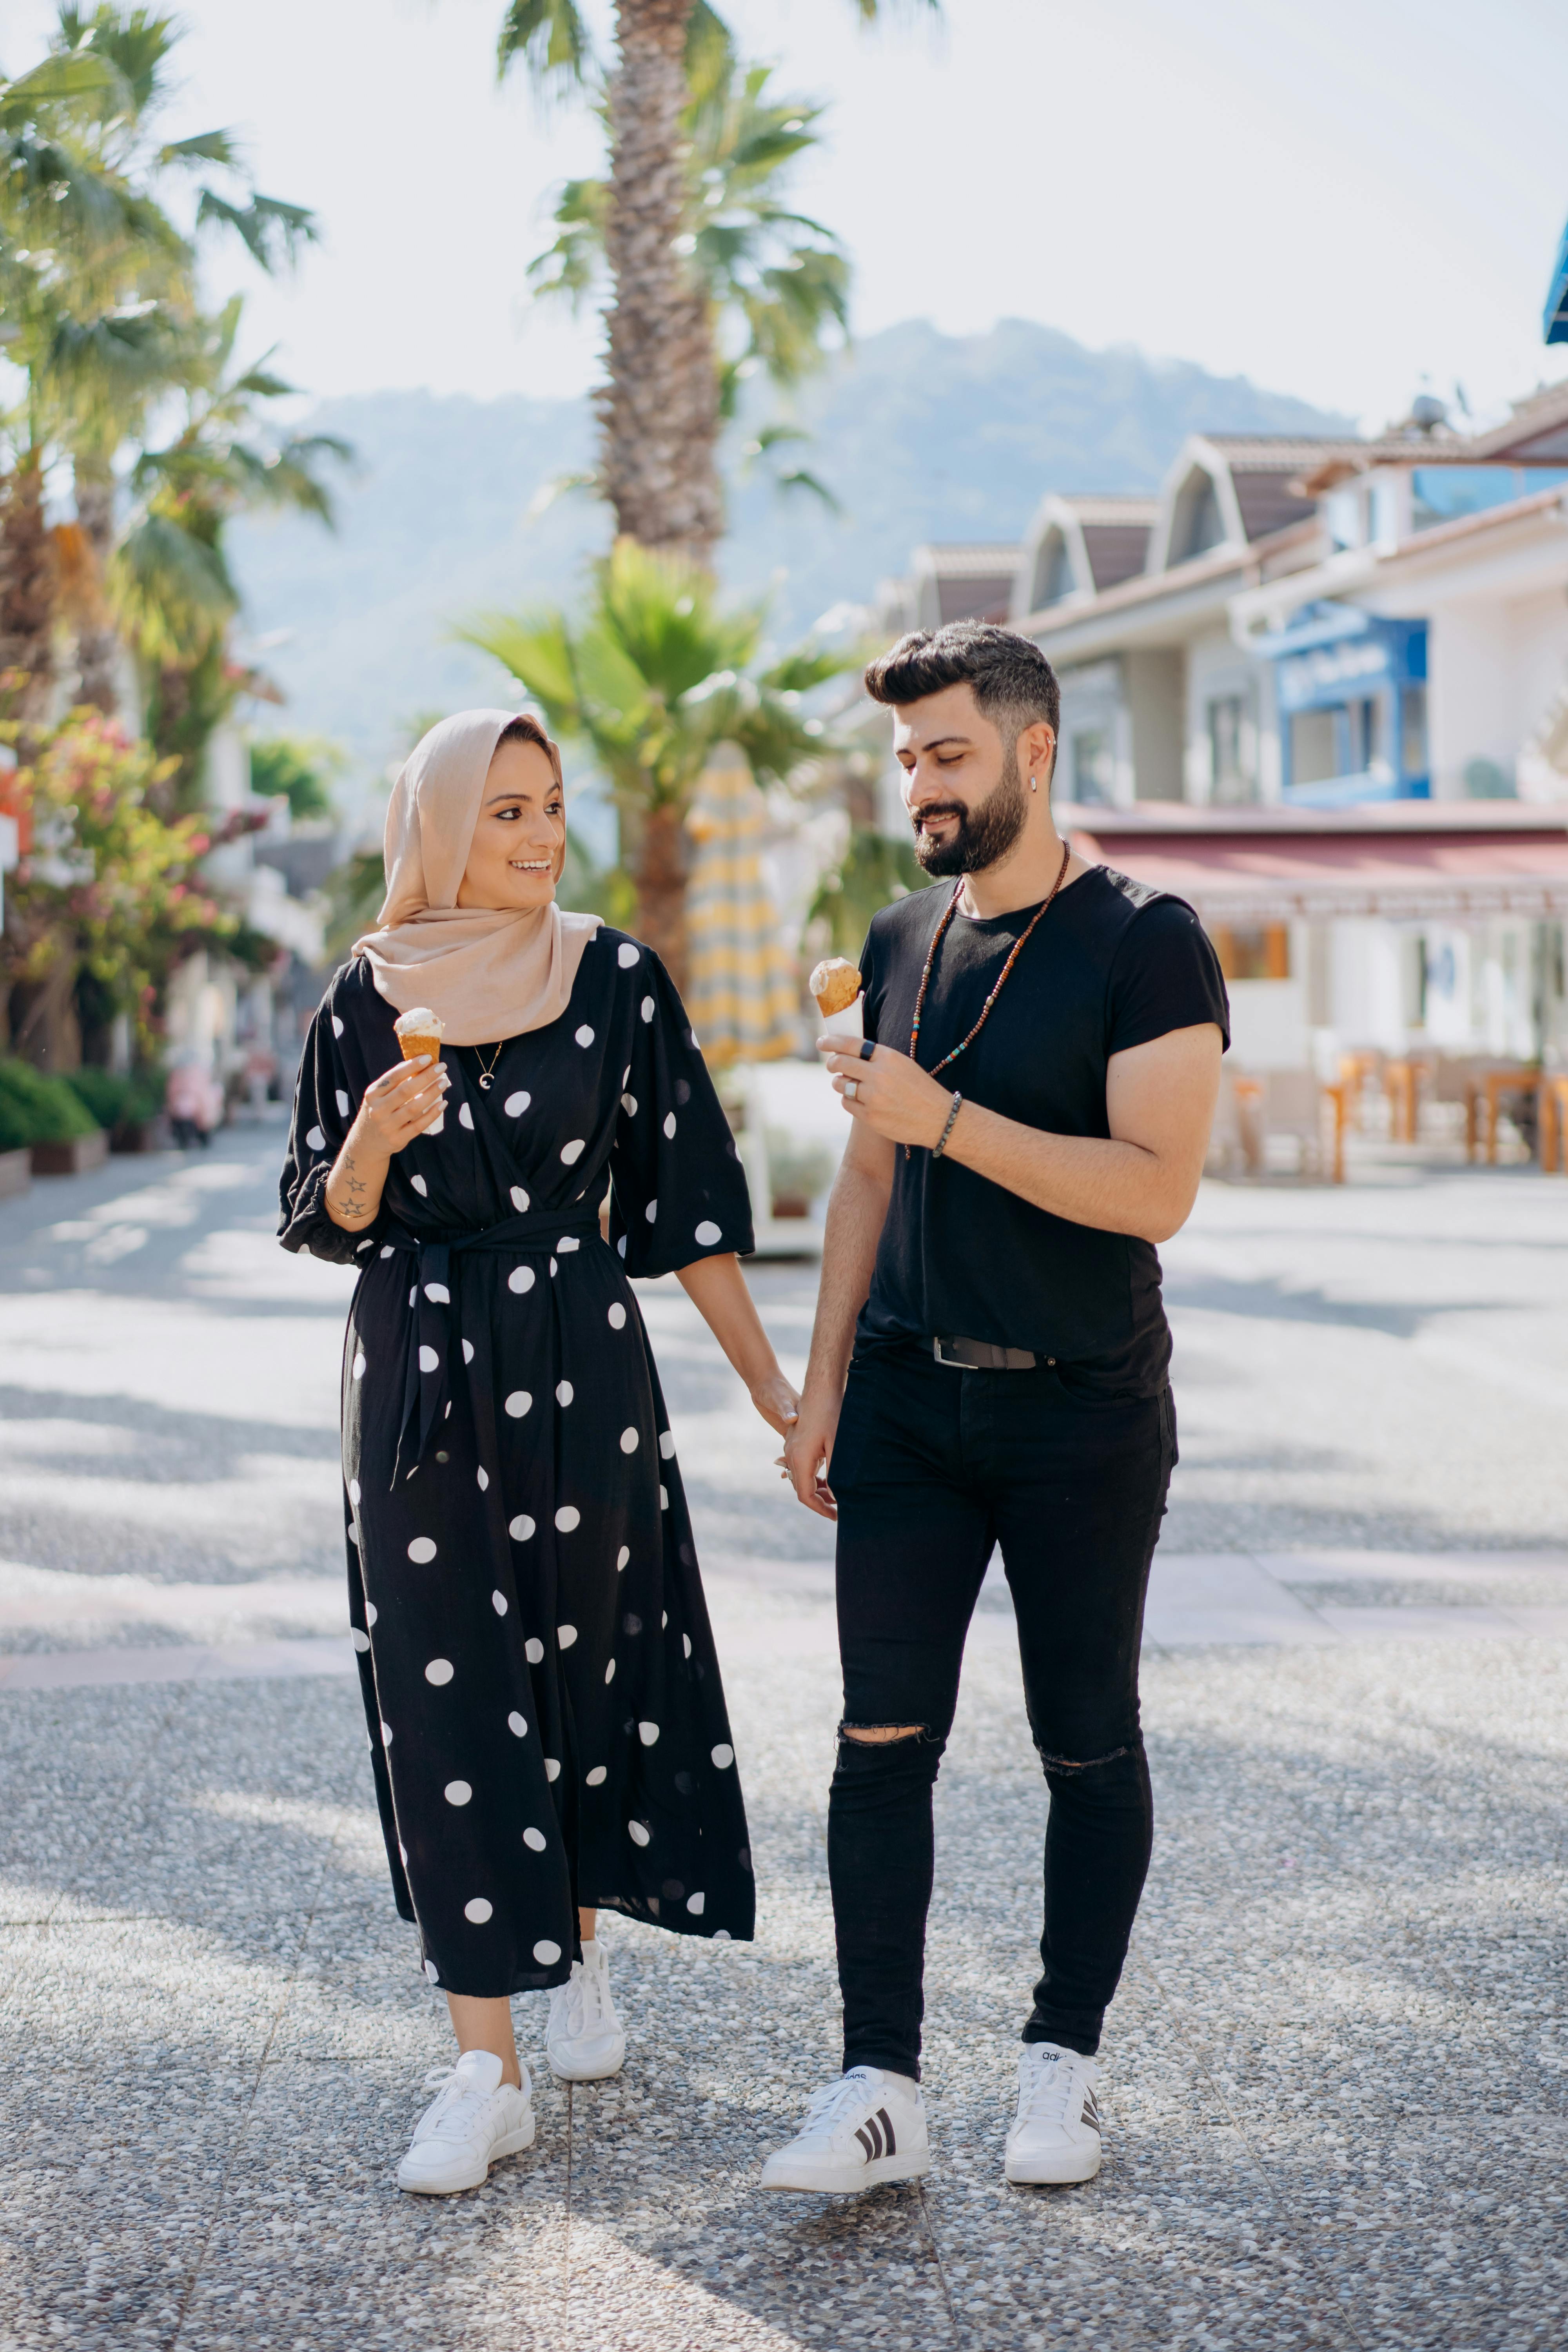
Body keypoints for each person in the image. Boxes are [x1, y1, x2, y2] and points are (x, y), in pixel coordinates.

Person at [279, 710, 799, 2196]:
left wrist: (772, 1387)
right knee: (446, 1682)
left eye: (552, 806)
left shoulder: (616, 977)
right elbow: (322, 1210)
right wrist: (375, 1141)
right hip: (421, 1369)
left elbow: (686, 1203)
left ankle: (577, 1946)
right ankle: (479, 2067)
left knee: (588, 1658)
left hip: (581, 1354)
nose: (537, 835)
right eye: (504, 811)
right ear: (439, 828)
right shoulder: (363, 1000)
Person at [764, 624, 1227, 2195]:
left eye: (946, 754)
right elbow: (866, 1175)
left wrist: (945, 1117)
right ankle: (877, 2086)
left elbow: (1153, 1189)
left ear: (1033, 752)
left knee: (1082, 1740)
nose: (920, 787)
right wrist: (818, 1384)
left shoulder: (1147, 941)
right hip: (902, 1401)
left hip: (1080, 1412)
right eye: (905, 759)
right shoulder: (899, 939)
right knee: (876, 1737)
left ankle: (1060, 2065)